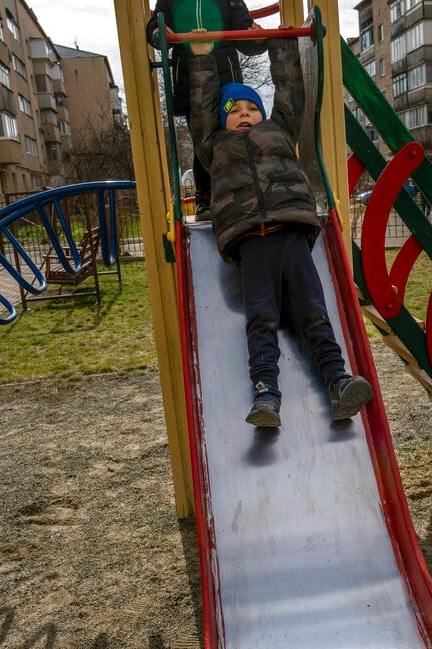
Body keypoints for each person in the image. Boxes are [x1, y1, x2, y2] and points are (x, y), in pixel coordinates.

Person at [188, 32, 374, 428]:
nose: (243, 114)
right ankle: (266, 392)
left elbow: (291, 93)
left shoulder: (279, 130)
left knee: (313, 312)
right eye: (233, 110)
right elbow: (201, 111)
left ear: (261, 113)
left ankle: (338, 380)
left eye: (250, 108)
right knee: (262, 317)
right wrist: (202, 60)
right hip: (251, 241)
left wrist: (283, 43)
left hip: (291, 233)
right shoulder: (214, 144)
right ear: (223, 120)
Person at [147, 0, 265, 221]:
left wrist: (256, 39)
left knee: (234, 139)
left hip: (225, 82)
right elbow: (156, 25)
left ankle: (243, 192)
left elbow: (243, 30)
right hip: (192, 81)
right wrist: (159, 31)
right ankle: (205, 198)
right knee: (202, 140)